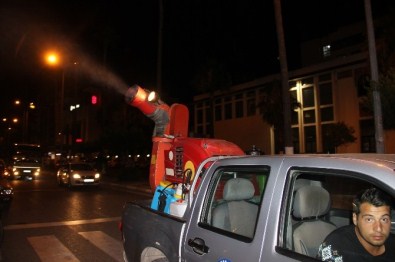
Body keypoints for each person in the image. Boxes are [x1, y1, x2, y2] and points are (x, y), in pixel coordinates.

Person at [317, 187, 395, 261]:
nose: (378, 228)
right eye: (369, 219)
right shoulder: (337, 245)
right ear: (355, 219)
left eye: (384, 219)